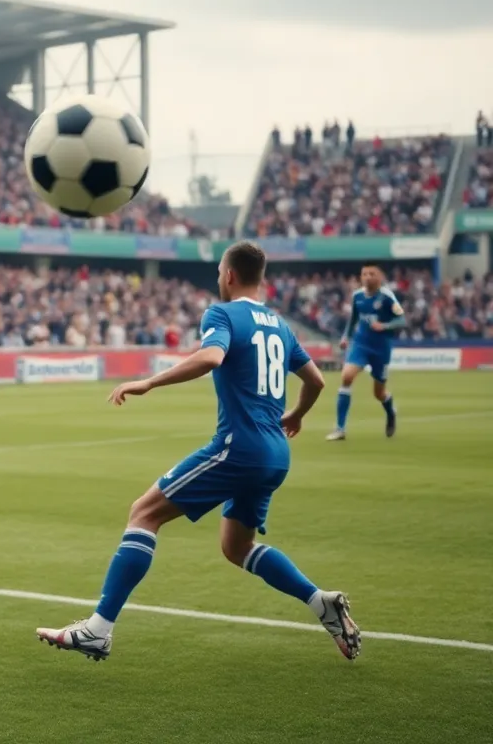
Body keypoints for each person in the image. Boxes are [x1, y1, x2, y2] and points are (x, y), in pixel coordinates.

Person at [36, 241, 360, 662]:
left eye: (219, 272)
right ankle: (321, 602)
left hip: (239, 448)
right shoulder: (280, 325)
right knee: (236, 547)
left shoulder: (221, 314)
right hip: (276, 454)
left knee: (144, 513)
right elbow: (316, 380)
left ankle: (98, 629)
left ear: (229, 275)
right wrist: (296, 415)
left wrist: (149, 382)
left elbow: (210, 357)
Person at [327, 264, 404, 441]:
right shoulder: (357, 296)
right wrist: (346, 336)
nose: (367, 277)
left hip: (381, 349)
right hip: (360, 344)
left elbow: (402, 320)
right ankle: (340, 429)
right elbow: (353, 319)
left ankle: (390, 411)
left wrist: (385, 325)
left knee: (379, 393)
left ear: (380, 277)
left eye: (372, 274)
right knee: (346, 377)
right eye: (364, 274)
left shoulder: (387, 297)